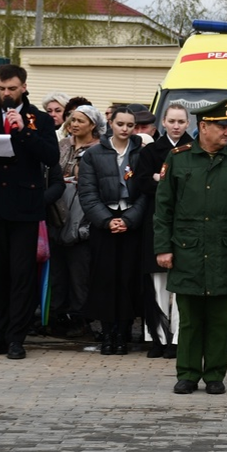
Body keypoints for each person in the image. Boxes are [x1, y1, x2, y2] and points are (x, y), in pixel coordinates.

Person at [153, 100, 227, 394]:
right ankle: (187, 373)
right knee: (189, 319)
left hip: (225, 252)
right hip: (187, 250)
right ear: (203, 127)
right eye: (221, 126)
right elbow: (163, 208)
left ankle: (215, 374)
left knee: (219, 318)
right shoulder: (178, 158)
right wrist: (163, 248)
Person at [0, 65, 60, 359]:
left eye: (11, 88)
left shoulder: (39, 119)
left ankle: (16, 339)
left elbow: (51, 157)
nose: (6, 94)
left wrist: (24, 132)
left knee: (21, 275)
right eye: (0, 89)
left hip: (24, 206)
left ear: (23, 86)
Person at [77, 105, 146, 354]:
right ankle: (107, 334)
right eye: (120, 124)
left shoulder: (141, 153)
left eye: (130, 125)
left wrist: (129, 219)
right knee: (104, 279)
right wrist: (107, 220)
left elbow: (146, 192)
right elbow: (87, 192)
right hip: (104, 223)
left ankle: (124, 334)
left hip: (131, 222)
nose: (125, 129)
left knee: (128, 278)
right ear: (111, 125)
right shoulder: (93, 154)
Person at [132, 102, 191, 359]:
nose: (176, 126)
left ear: (188, 124)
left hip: (187, 224)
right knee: (157, 284)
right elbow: (142, 182)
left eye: (181, 121)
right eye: (172, 121)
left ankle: (178, 338)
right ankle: (156, 337)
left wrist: (162, 179)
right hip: (157, 223)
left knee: (181, 286)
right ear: (163, 123)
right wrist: (160, 181)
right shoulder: (151, 151)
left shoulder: (195, 149)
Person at [48, 105, 105, 338]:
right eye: (72, 119)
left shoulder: (100, 149)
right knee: (57, 272)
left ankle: (80, 320)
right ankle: (56, 318)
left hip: (83, 218)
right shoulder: (61, 145)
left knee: (80, 271)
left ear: (92, 125)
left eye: (81, 120)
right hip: (57, 213)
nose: (74, 124)